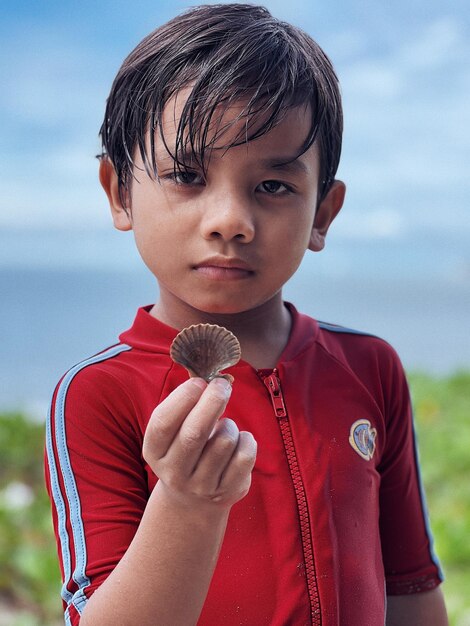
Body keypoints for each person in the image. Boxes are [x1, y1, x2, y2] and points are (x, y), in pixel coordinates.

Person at [44, 4, 448, 625]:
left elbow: (411, 587)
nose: (229, 220)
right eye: (186, 175)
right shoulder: (97, 394)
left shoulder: (370, 366)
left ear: (323, 213)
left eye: (274, 186)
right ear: (119, 191)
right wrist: (186, 503)